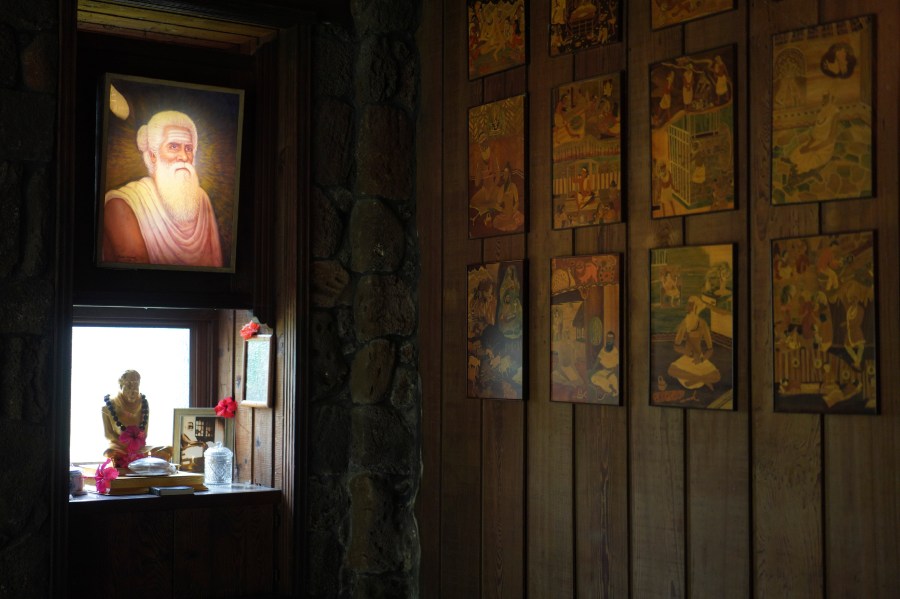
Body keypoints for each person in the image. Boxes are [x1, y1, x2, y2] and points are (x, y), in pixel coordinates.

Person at [103, 110, 223, 267]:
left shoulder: (202, 198)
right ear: (153, 155)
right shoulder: (122, 204)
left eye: (188, 148)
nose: (184, 156)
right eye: (173, 146)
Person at [101, 370, 149, 467]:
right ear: (121, 386)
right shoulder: (108, 406)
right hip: (118, 447)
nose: (133, 390)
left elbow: (144, 433)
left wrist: (135, 446)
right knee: (111, 453)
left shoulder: (144, 404)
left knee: (164, 450)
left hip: (138, 448)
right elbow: (108, 434)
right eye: (129, 386)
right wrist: (125, 444)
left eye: (136, 386)